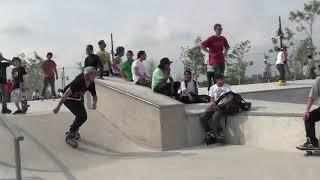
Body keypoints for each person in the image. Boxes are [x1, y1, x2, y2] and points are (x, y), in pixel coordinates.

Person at [53, 66, 98, 148]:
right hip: (68, 99)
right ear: (87, 75)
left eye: (95, 74)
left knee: (82, 116)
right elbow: (66, 94)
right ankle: (71, 134)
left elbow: (94, 95)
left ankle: (74, 129)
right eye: (93, 74)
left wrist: (95, 103)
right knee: (82, 116)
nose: (95, 76)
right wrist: (58, 107)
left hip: (77, 99)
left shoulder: (91, 83)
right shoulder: (79, 81)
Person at [200, 74, 234, 145]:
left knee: (215, 118)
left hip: (223, 106)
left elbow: (230, 98)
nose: (223, 80)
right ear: (217, 80)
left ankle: (220, 134)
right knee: (203, 117)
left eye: (223, 79)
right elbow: (211, 99)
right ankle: (209, 133)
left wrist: (221, 105)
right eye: (221, 79)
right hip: (214, 105)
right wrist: (213, 105)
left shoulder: (227, 87)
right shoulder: (212, 87)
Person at [299, 77, 320, 149]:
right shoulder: (318, 80)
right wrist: (307, 111)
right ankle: (312, 143)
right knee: (308, 117)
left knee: (308, 117)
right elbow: (312, 97)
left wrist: (307, 111)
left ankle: (313, 143)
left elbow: (312, 97)